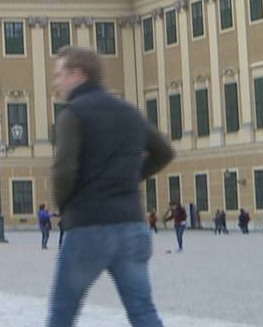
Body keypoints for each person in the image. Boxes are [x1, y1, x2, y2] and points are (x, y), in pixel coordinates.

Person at [45, 46, 174, 327]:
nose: (56, 82)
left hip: (88, 228)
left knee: (62, 314)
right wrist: (130, 177)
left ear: (77, 74)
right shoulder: (129, 112)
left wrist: (65, 206)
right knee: (143, 313)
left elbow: (63, 169)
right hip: (131, 226)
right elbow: (164, 151)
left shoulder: (73, 113)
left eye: (59, 74)